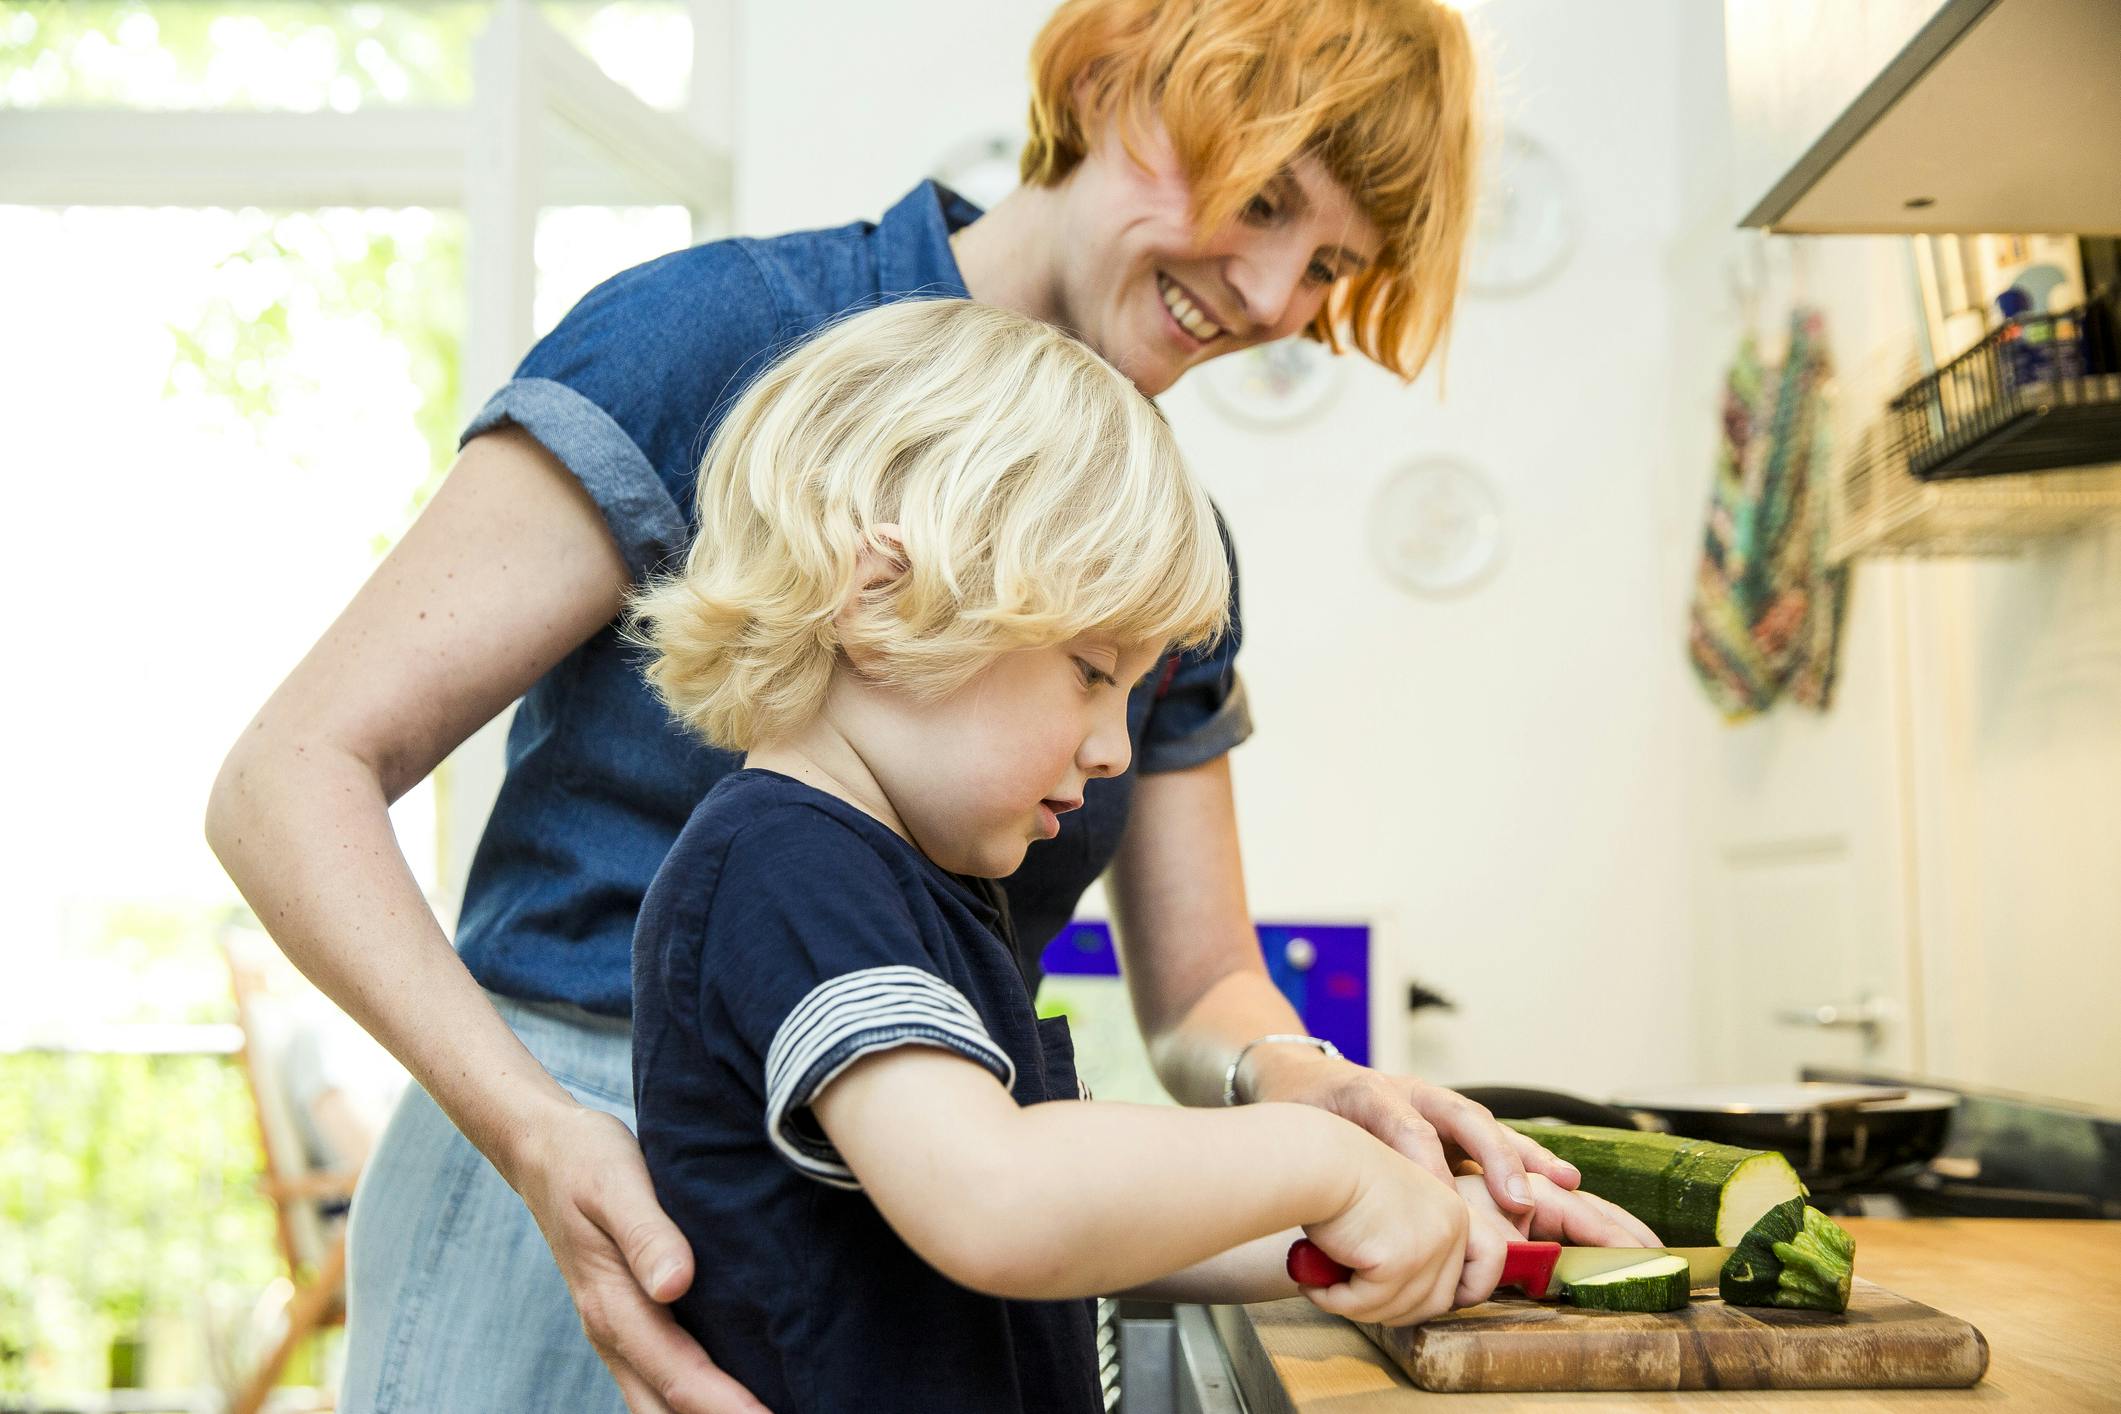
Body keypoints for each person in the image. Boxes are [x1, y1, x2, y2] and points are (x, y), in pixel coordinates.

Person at [204, 2, 1654, 1411]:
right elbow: (289, 774)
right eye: (1263, 197)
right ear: (1107, 83)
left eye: (1330, 263)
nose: (1277, 302)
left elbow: (1202, 988)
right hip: (560, 1160)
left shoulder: (1158, 548)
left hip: (904, 1168)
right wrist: (535, 1129)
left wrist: (1323, 1105)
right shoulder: (716, 338)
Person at [631, 297, 1498, 1412]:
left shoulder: (921, 887)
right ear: (875, 595)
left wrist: (1373, 1220)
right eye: (1092, 671)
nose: (1116, 749)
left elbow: (1077, 1224)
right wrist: (1320, 1162)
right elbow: (998, 1198)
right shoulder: (783, 869)